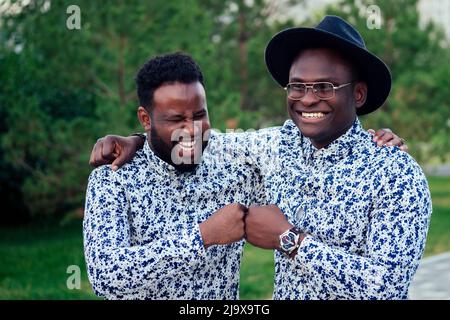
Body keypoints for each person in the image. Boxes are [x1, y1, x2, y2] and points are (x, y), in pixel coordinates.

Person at [88, 17, 419, 299]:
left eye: (324, 87)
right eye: (297, 86)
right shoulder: (277, 147)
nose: (308, 99)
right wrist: (137, 141)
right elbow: (199, 138)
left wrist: (290, 240)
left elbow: (387, 286)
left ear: (357, 93)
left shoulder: (395, 174)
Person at [83, 53, 265, 299]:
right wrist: (204, 236)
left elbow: (292, 143)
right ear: (146, 119)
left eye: (200, 115)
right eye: (176, 119)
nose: (192, 130)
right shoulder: (113, 179)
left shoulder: (234, 166)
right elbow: (106, 276)